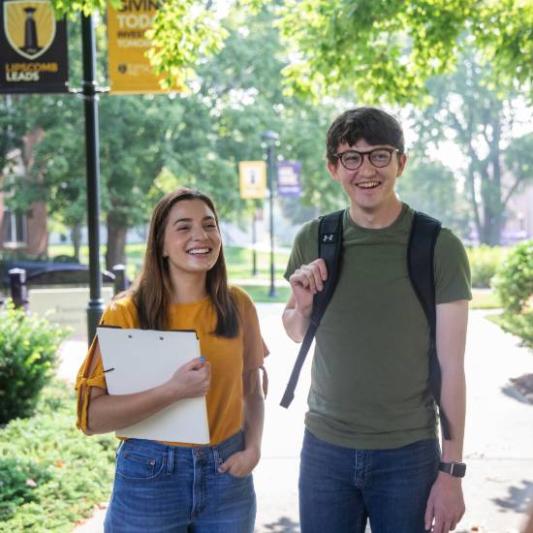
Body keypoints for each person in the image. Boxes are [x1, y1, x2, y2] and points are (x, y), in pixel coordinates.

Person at [282, 107, 471, 533]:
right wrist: (302, 304)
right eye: (351, 158)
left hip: (408, 453)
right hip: (324, 450)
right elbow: (295, 331)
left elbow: (452, 367)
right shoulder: (314, 238)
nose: (365, 170)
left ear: (401, 162)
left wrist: (451, 471)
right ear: (333, 168)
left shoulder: (438, 246)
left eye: (379, 156)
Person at [76, 188, 268, 533]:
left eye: (209, 225)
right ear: (161, 245)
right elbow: (91, 418)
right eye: (184, 227)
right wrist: (173, 391)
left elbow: (253, 388)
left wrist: (253, 449)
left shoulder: (239, 305)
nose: (201, 235)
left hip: (228, 475)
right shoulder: (126, 312)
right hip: (150, 476)